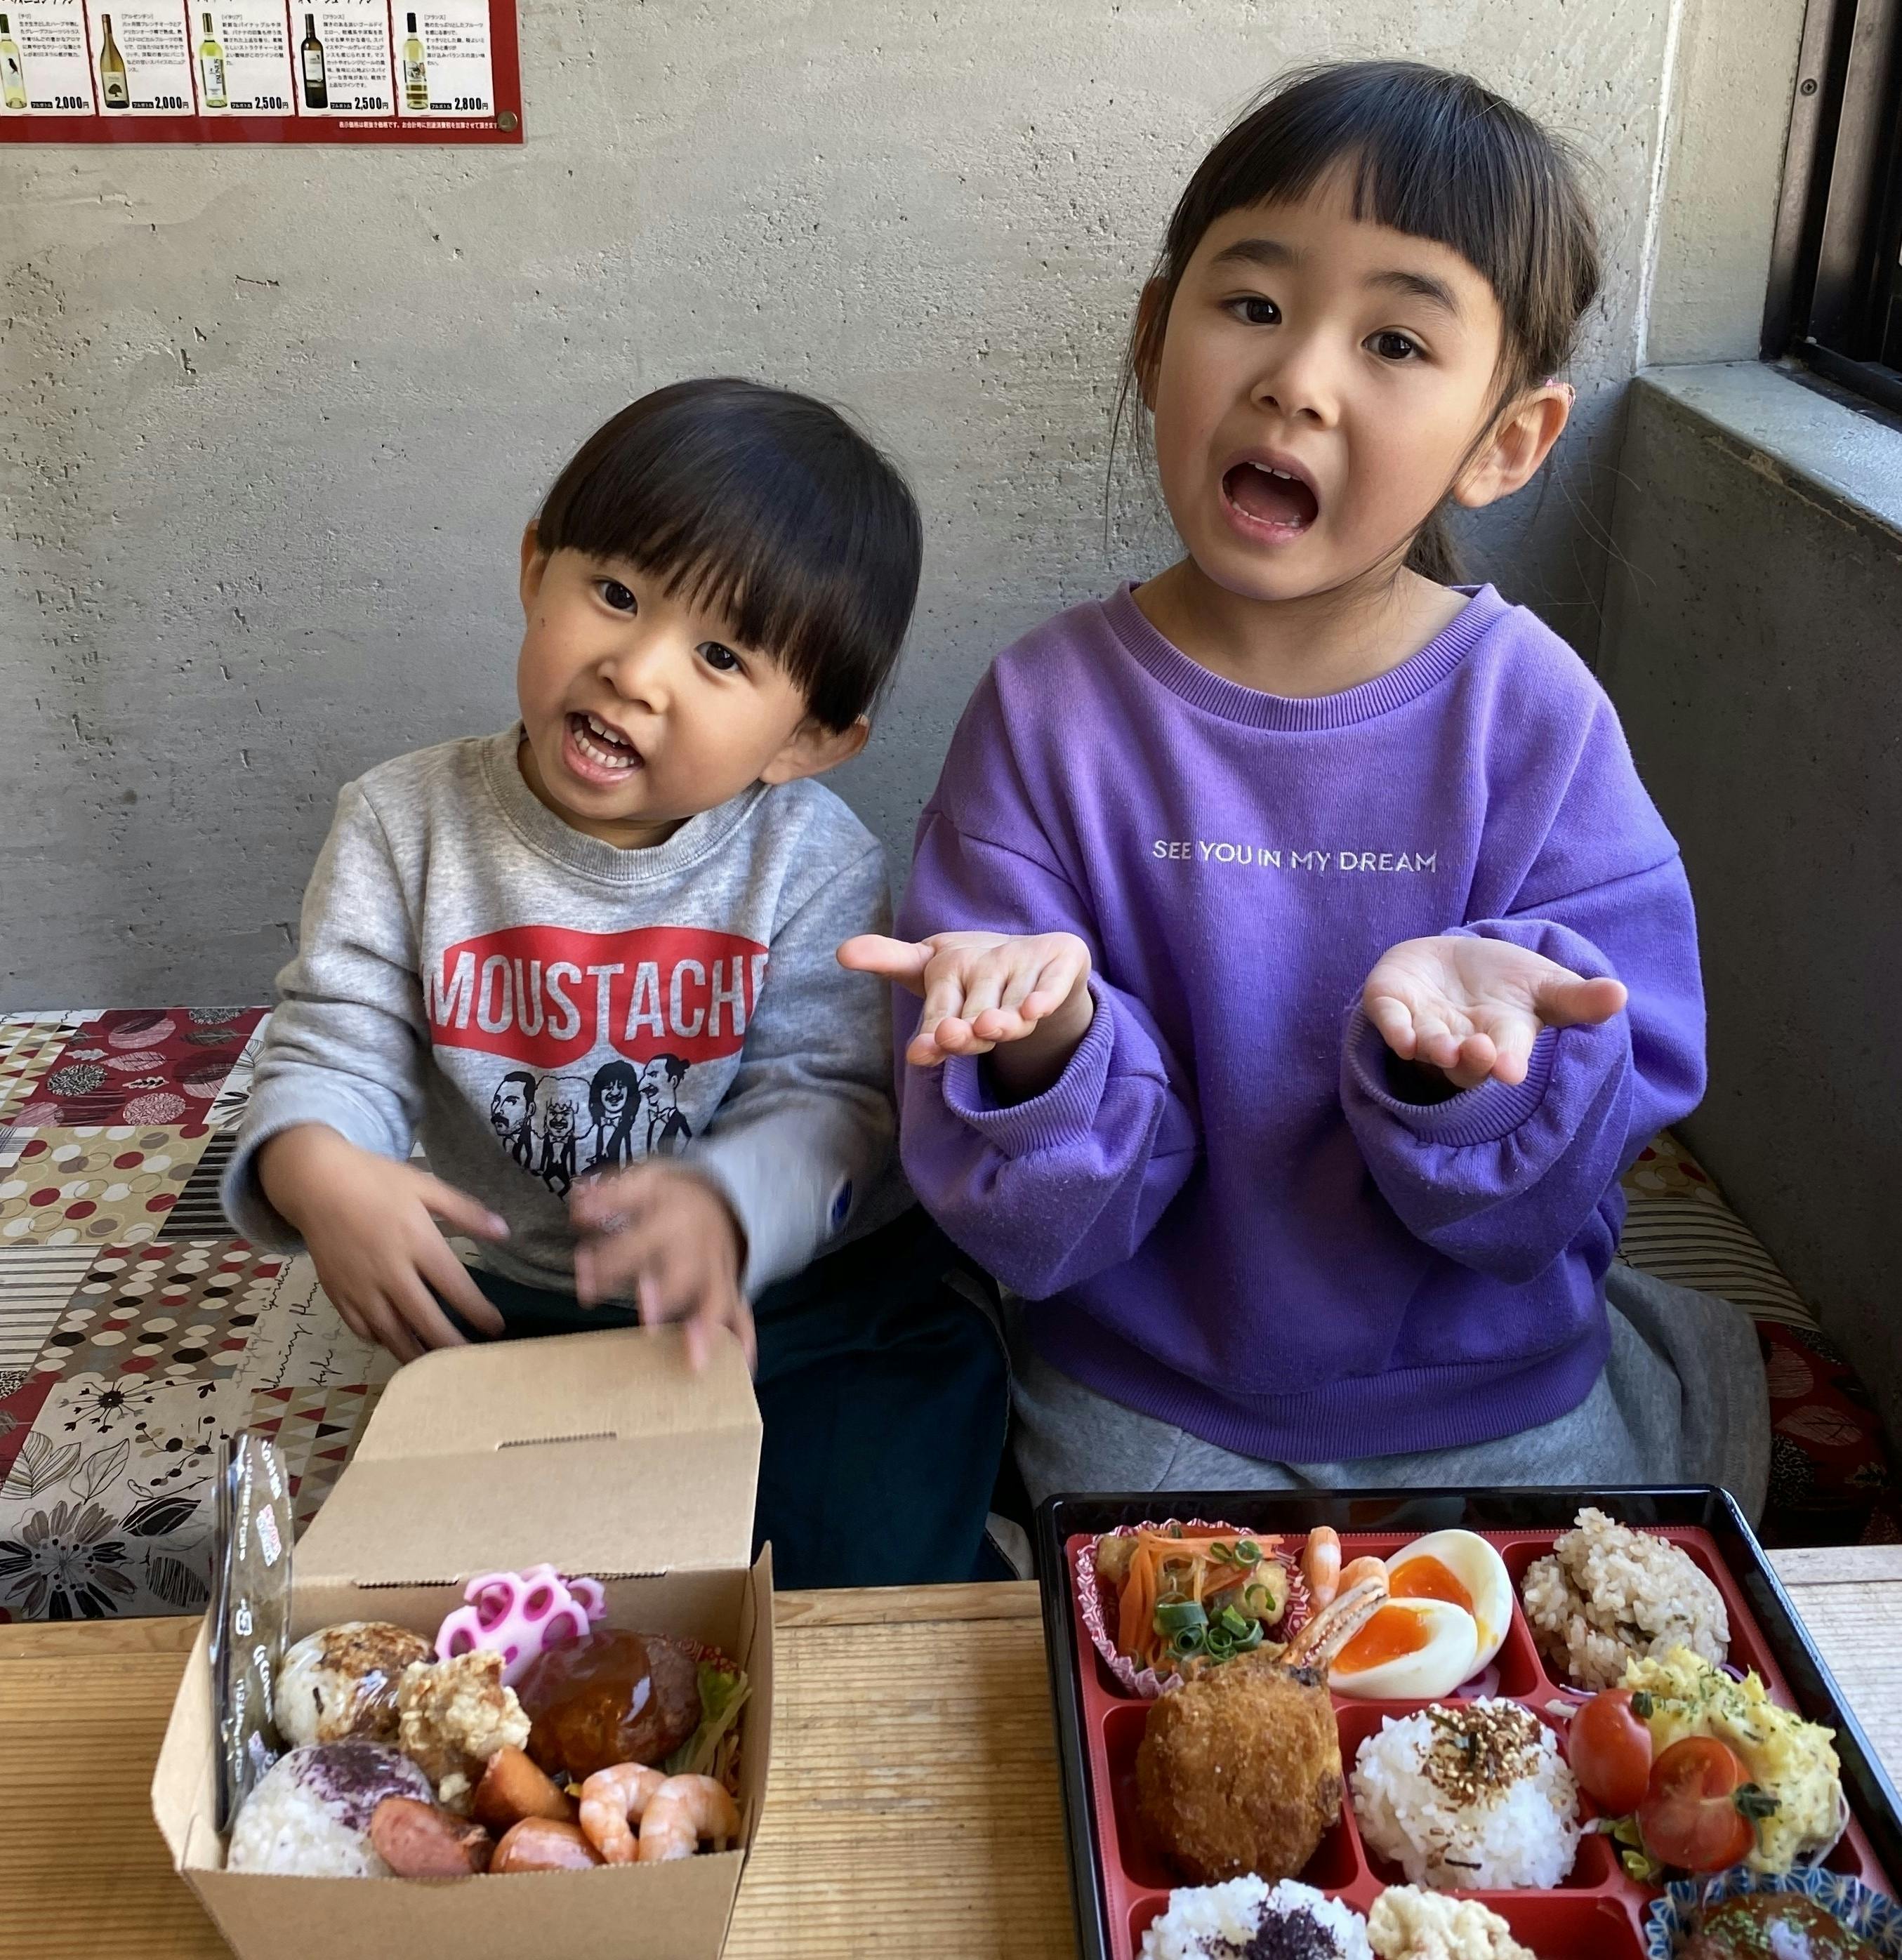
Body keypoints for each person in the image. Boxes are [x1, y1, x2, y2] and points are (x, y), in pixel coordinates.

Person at [843, 62, 1769, 1516]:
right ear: (1156, 339)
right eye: (1254, 306)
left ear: (1506, 439)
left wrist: (1471, 1049)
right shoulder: (1043, 712)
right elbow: (1030, 1223)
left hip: (1491, 1384)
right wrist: (1039, 1042)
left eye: (1394, 338)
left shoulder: (1528, 714)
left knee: (1600, 1670)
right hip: (1151, 1391)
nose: (1297, 378)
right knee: (1117, 1680)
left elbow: (1574, 1158)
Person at [226, 378, 1008, 1586]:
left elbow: (840, 1098)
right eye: (614, 594)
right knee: (493, 1600)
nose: (636, 671)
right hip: (513, 1307)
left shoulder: (809, 858)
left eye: (718, 655)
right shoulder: (402, 824)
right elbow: (336, 1041)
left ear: (806, 740)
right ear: (536, 567)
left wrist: (731, 1202)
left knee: (877, 1527)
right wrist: (318, 1166)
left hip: (786, 1302)